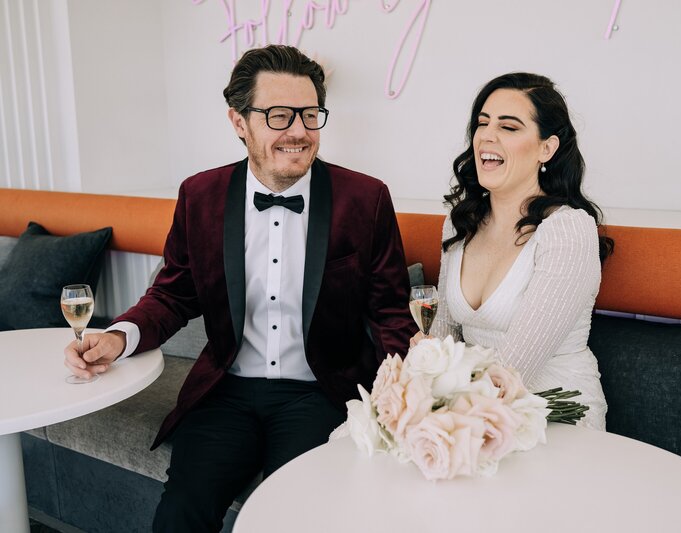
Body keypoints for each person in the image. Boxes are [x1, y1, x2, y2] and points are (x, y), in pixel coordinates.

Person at [63, 45, 416, 532]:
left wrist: (409, 401)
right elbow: (173, 293)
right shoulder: (199, 195)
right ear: (238, 122)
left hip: (319, 392)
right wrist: (118, 337)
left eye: (310, 115)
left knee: (292, 517)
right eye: (278, 115)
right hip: (225, 389)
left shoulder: (366, 198)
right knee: (180, 514)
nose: (298, 131)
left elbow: (391, 311)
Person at [413, 72, 612, 431]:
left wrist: (437, 412)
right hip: (468, 406)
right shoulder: (461, 222)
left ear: (546, 148)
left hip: (550, 413)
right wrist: (424, 361)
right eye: (482, 123)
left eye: (509, 127)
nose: (487, 136)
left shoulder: (568, 230)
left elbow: (512, 371)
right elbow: (442, 333)